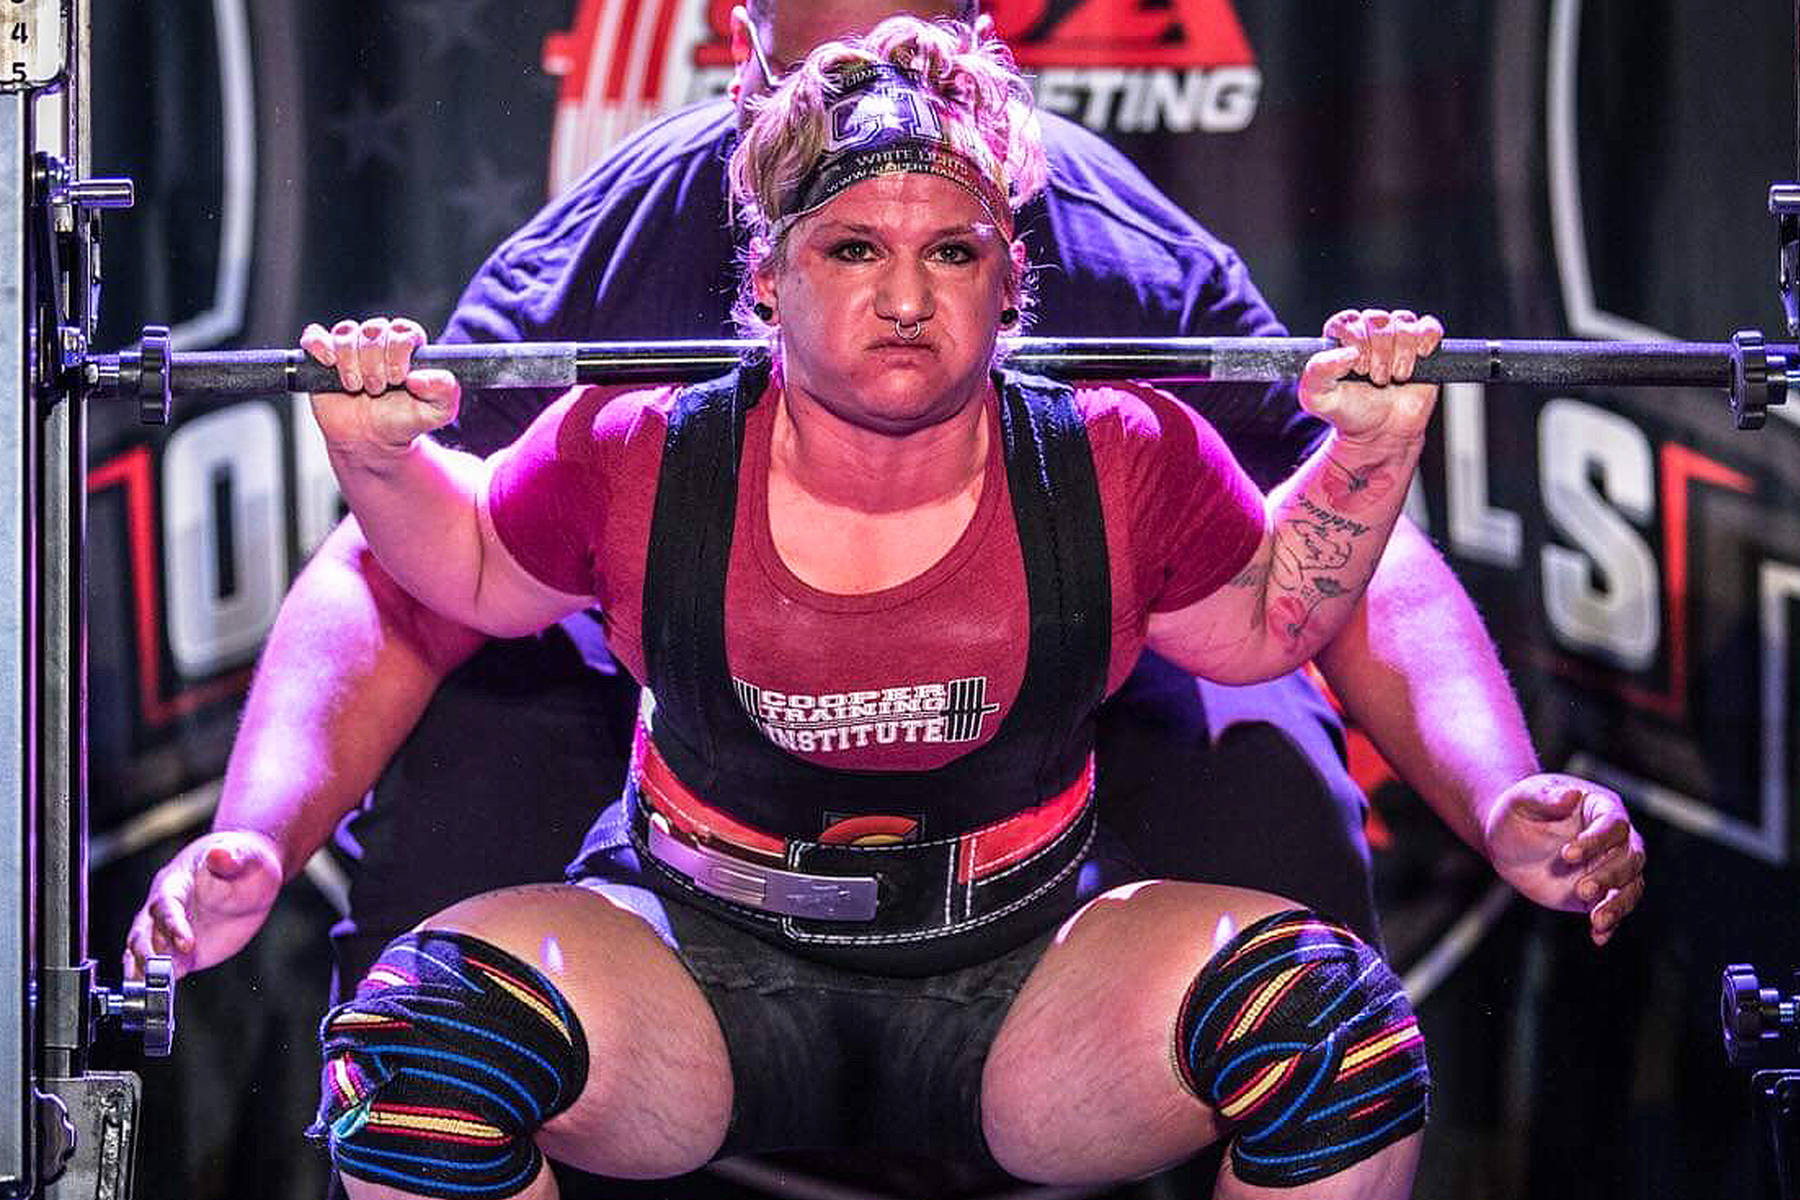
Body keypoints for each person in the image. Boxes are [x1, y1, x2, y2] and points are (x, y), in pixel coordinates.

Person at [124, 0, 1644, 1005]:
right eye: (845, 244)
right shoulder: (617, 270)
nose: (881, 119)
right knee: (457, 854)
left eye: (952, 249)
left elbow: (1336, 565)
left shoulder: (1132, 266)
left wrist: (1498, 794)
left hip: (1066, 719)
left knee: (1281, 807)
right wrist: (261, 828)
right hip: (692, 729)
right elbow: (417, 558)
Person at [299, 18, 1451, 1196]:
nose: (906, 296)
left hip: (1027, 972)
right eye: (854, 249)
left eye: (952, 254)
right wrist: (381, 460)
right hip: (694, 962)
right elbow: (471, 567)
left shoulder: (1121, 455)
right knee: (421, 1059)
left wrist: (1373, 448)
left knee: (1336, 1045)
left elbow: (1271, 621)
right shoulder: (636, 450)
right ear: (767, 273)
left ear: (1011, 279)